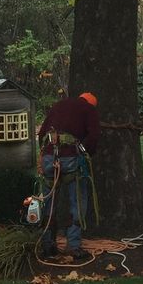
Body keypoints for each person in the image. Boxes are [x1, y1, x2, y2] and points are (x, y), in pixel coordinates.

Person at [37, 90, 100, 262]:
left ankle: (48, 245)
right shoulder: (89, 109)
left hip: (50, 158)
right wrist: (86, 153)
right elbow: (94, 135)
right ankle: (73, 246)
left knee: (48, 202)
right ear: (91, 103)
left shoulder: (59, 105)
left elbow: (42, 133)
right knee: (78, 201)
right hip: (71, 158)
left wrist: (46, 154)